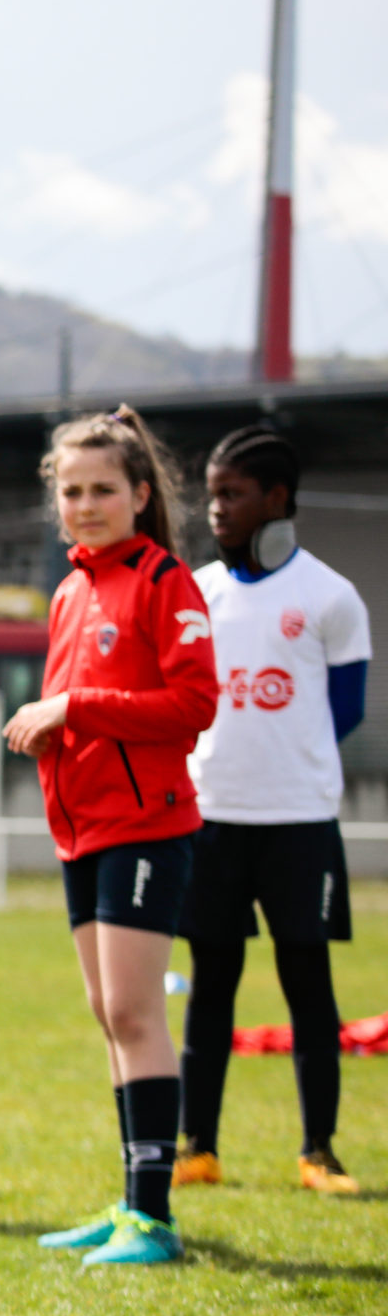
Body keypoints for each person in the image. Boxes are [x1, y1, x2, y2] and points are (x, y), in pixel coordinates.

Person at [3, 405, 218, 1266]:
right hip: (82, 829)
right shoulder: (71, 588)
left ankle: (155, 1219)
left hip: (145, 826)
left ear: (138, 493)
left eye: (102, 489)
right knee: (110, 1014)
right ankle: (132, 1202)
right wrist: (55, 731)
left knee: (134, 1012)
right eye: (71, 490)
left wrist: (74, 707)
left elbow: (195, 706)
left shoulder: (167, 580)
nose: (84, 504)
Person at [175, 425, 369, 1196]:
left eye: (232, 493)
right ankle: (198, 1148)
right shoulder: (198, 591)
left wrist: (281, 751)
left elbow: (345, 712)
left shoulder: (330, 596)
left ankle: (318, 1150)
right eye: (212, 493)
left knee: (309, 984)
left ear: (277, 499)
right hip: (211, 819)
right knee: (210, 983)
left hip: (298, 822)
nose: (216, 508)